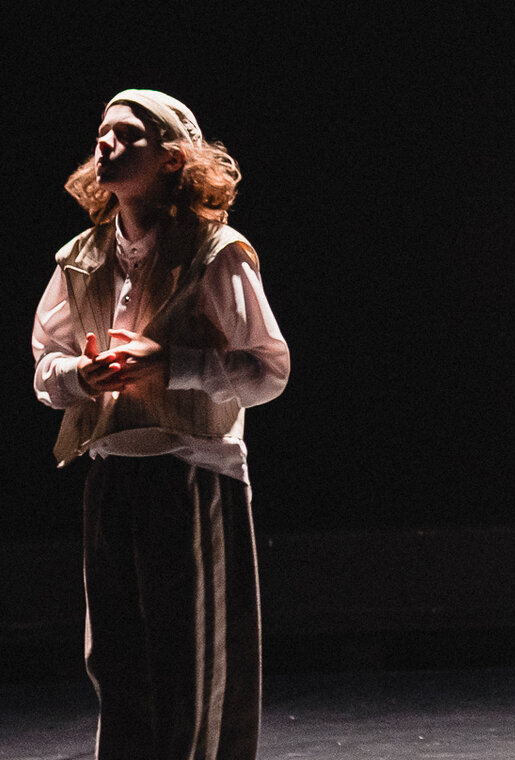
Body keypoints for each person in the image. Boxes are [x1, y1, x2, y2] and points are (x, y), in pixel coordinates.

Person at [30, 89, 290, 760]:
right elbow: (44, 365)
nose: (105, 143)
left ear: (172, 160)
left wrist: (173, 366)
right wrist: (79, 376)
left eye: (126, 135)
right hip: (110, 472)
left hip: (190, 475)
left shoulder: (214, 252)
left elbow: (268, 370)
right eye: (101, 131)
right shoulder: (81, 257)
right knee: (117, 665)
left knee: (190, 668)